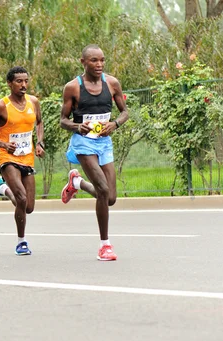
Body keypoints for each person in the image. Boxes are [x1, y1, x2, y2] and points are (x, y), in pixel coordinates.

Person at [59, 44, 129, 261]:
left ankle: (77, 184)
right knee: (102, 188)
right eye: (94, 61)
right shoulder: (73, 87)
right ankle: (104, 246)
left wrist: (115, 124)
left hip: (104, 142)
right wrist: (77, 126)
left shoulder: (112, 83)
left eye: (102, 60)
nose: (99, 65)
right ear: (83, 62)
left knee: (110, 198)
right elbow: (62, 121)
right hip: (83, 143)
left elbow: (125, 111)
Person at [0, 66, 45, 256]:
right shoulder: (1, 106)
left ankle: (1, 188)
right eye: (19, 81)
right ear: (10, 83)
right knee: (21, 197)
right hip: (7, 157)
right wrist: (2, 144)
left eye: (26, 81)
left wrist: (40, 142)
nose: (23, 85)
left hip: (26, 156)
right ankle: (21, 242)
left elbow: (39, 122)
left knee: (28, 207)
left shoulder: (33, 102)